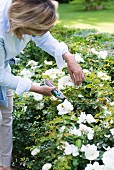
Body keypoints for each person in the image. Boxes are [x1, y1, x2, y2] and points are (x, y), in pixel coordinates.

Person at [0, 0, 84, 169]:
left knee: (5, 118)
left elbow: (42, 36)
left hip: (3, 67)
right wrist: (36, 88)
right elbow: (0, 75)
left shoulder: (27, 11)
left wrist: (68, 56)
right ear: (23, 23)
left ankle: (4, 165)